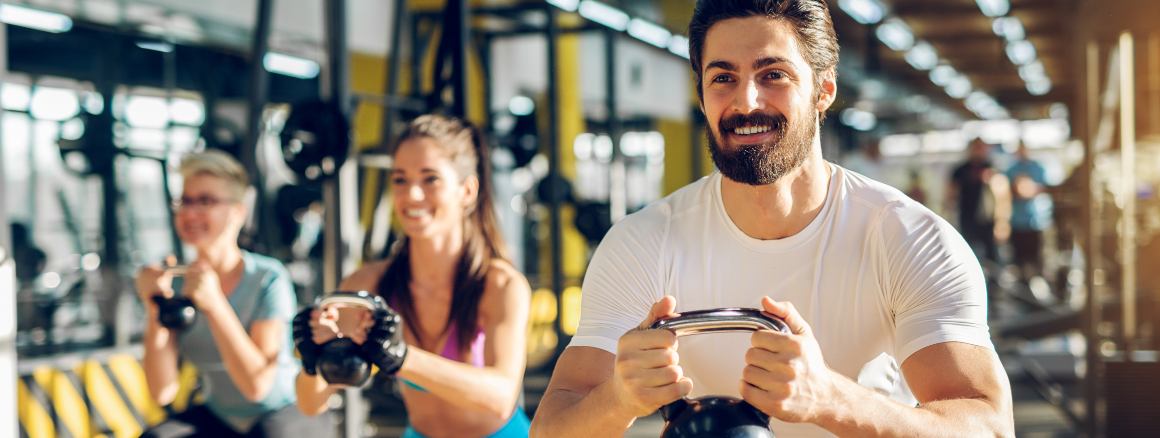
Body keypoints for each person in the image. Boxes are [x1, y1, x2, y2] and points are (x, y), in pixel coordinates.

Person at [530, 1, 1014, 437]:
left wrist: (830, 399)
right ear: (701, 95)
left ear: (823, 89)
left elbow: (991, 429)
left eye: (773, 75)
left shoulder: (908, 238)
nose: (746, 102)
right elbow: (552, 430)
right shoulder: (642, 242)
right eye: (723, 78)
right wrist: (617, 398)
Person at [294, 115, 532, 438]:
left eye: (430, 179)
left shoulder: (500, 285)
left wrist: (401, 356)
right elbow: (311, 403)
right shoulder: (369, 285)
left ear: (467, 190)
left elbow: (501, 398)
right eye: (400, 180)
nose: (412, 196)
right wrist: (315, 363)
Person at [137, 150, 331, 437]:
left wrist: (215, 305)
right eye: (185, 201)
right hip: (222, 416)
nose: (190, 213)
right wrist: (154, 305)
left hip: (285, 411)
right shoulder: (175, 284)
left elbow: (258, 387)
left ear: (238, 212)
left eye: (206, 201)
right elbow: (162, 391)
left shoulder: (268, 277)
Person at [948, 138, 1011, 264]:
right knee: (970, 252)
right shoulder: (961, 170)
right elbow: (951, 193)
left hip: (989, 220)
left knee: (993, 254)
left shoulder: (993, 169)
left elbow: (1003, 196)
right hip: (967, 218)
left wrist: (1002, 222)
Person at [1006, 143, 1053, 284]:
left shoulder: (1038, 168)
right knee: (1020, 260)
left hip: (1036, 222)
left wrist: (1030, 189)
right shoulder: (1011, 170)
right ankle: (1024, 288)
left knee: (1038, 259)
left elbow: (1045, 188)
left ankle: (1040, 286)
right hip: (1017, 222)